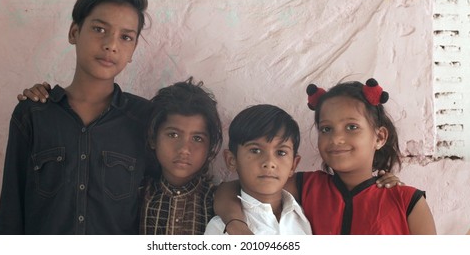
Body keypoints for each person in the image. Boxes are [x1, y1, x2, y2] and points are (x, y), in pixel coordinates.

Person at [0, 0, 153, 234]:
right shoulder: (34, 114)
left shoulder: (144, 119)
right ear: (74, 32)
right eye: (99, 29)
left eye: (126, 37)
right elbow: (11, 211)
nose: (111, 44)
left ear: (133, 50)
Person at [215, 78, 434, 235]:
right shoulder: (307, 187)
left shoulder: (407, 202)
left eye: (351, 127)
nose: (337, 139)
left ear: (379, 137)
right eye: (326, 129)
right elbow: (234, 190)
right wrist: (236, 225)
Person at [204, 104, 312, 235]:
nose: (269, 162)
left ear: (293, 165)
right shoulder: (221, 230)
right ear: (231, 160)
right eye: (255, 150)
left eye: (281, 153)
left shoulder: (306, 217)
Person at [138, 77, 223, 235]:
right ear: (152, 138)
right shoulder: (136, 194)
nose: (184, 149)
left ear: (210, 147)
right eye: (173, 135)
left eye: (197, 138)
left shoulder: (219, 202)